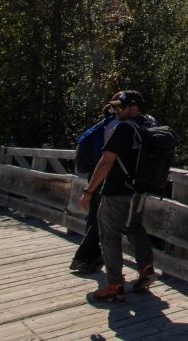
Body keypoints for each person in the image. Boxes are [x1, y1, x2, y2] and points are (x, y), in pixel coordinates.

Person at [78, 90, 158, 302]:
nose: (116, 110)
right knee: (134, 227)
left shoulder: (123, 129)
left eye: (120, 106)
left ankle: (114, 284)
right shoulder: (149, 126)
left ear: (133, 107)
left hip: (117, 191)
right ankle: (146, 268)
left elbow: (106, 162)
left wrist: (89, 191)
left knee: (108, 235)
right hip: (139, 190)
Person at [69, 105, 117, 273]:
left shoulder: (104, 124)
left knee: (94, 216)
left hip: (94, 173)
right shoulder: (116, 126)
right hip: (105, 175)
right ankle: (82, 256)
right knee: (101, 218)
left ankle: (92, 256)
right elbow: (108, 159)